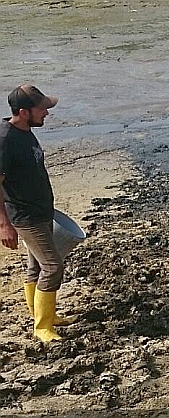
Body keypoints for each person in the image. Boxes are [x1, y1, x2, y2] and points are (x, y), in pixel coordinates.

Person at [0, 84, 74, 342]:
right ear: (23, 111)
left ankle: (42, 316)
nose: (47, 113)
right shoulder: (5, 139)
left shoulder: (26, 131)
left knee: (36, 267)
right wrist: (4, 225)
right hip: (24, 216)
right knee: (53, 267)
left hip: (41, 211)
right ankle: (42, 326)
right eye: (42, 109)